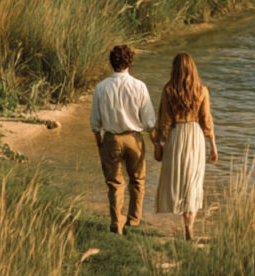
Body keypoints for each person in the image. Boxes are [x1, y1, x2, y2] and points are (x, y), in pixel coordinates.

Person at [90, 44, 156, 235]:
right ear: (130, 61)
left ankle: (116, 221)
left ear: (111, 62)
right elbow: (149, 120)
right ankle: (133, 221)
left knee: (114, 183)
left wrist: (100, 144)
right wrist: (156, 142)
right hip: (134, 138)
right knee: (137, 180)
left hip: (111, 138)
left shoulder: (101, 87)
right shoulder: (139, 86)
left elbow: (95, 122)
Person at [153, 52, 217, 241]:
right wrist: (213, 145)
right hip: (195, 137)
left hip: (176, 136)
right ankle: (190, 226)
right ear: (193, 68)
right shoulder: (202, 90)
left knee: (180, 180)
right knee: (193, 181)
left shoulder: (168, 90)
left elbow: (164, 120)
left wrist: (160, 143)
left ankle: (185, 224)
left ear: (175, 69)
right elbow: (206, 120)